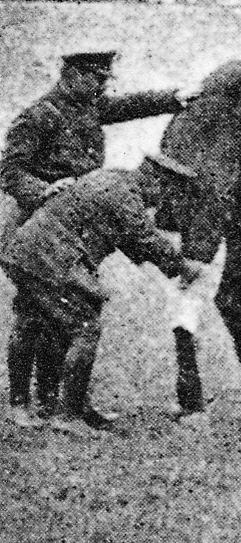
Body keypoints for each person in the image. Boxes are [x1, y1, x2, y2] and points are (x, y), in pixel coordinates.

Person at [2, 50, 189, 428]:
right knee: (33, 318)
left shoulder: (86, 106)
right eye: (97, 79)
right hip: (33, 222)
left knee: (62, 317)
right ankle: (22, 404)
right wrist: (45, 189)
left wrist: (174, 98)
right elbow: (9, 171)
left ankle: (59, 402)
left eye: (106, 81)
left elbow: (126, 106)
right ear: (72, 75)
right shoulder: (39, 116)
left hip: (74, 228)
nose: (102, 87)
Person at [0, 153, 204, 436]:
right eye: (168, 192)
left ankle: (34, 406)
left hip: (29, 253)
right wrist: (183, 266)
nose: (165, 201)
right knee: (85, 327)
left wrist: (170, 265)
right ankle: (68, 415)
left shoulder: (113, 179)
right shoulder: (124, 194)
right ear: (155, 180)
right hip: (49, 258)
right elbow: (142, 237)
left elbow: (129, 241)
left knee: (37, 322)